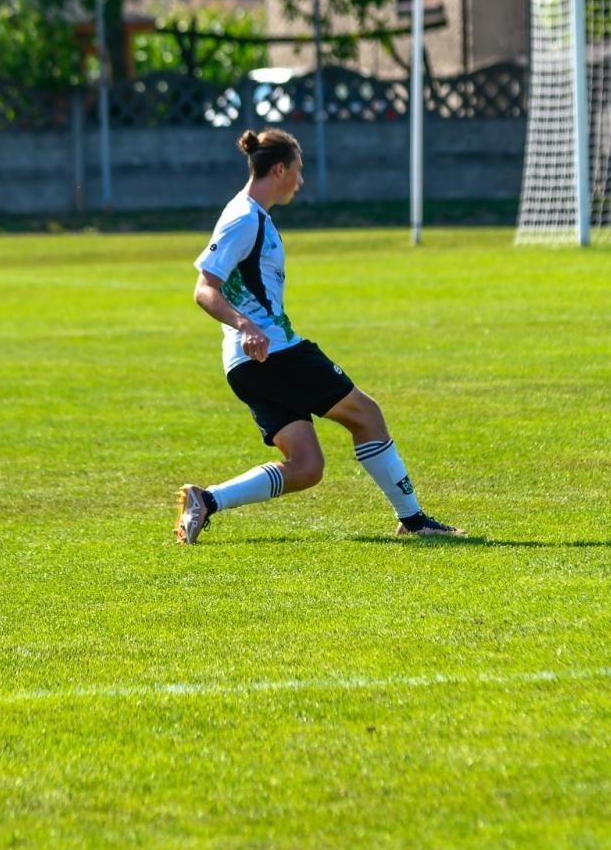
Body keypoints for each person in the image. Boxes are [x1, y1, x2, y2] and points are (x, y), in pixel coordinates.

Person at [175, 127, 463, 544]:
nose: (301, 181)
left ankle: (206, 500)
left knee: (307, 467)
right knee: (366, 415)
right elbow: (204, 288)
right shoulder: (244, 218)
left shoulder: (252, 216)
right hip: (273, 351)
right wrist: (247, 325)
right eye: (298, 170)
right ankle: (414, 519)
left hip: (249, 362)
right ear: (279, 169)